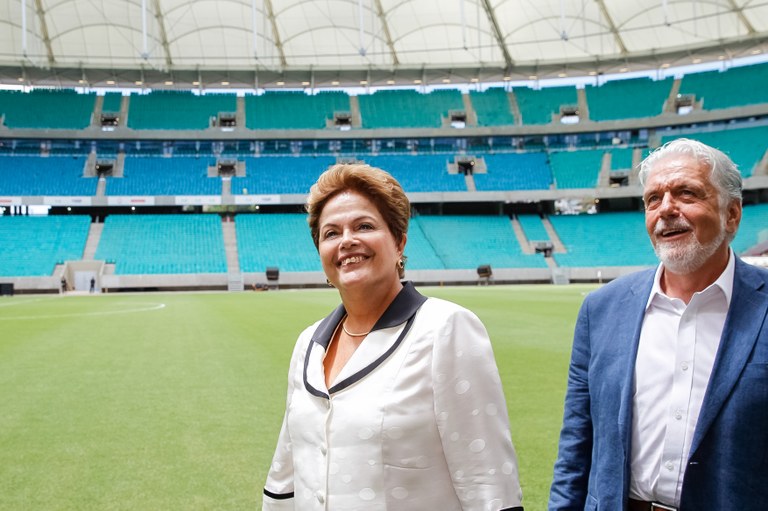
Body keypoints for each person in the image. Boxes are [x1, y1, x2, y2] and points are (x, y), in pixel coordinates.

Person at [262, 163, 524, 510]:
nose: (347, 241)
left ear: (399, 242)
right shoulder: (308, 344)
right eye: (331, 233)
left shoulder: (446, 329)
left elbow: (488, 484)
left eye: (364, 226)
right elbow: (286, 476)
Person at [549, 138, 768, 510]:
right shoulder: (601, 309)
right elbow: (576, 447)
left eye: (686, 193)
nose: (666, 209)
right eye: (653, 198)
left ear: (732, 214)